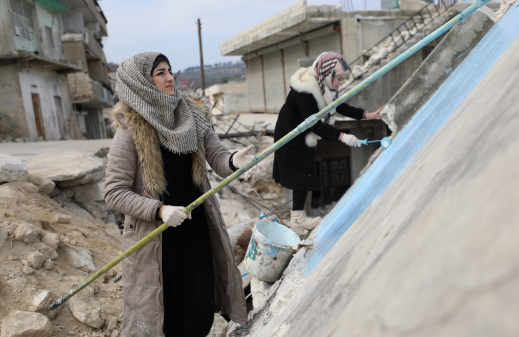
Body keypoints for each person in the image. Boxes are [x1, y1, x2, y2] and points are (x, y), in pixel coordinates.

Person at [104, 52, 255, 336]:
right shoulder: (130, 129)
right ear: (141, 82)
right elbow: (114, 192)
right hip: (157, 240)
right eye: (160, 73)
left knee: (200, 307)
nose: (170, 77)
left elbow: (217, 155)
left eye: (169, 71)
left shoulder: (191, 115)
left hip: (195, 227)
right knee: (167, 314)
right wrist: (159, 210)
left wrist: (235, 162)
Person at [273, 52, 383, 236]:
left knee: (305, 172)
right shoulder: (306, 92)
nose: (340, 83)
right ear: (327, 74)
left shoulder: (323, 86)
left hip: (302, 134)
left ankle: (297, 219)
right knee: (301, 174)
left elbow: (338, 105)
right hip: (290, 135)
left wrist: (365, 115)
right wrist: (343, 137)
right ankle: (297, 220)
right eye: (339, 79)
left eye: (343, 80)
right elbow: (315, 125)